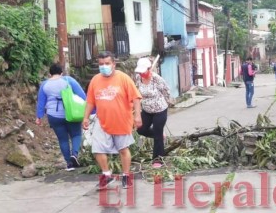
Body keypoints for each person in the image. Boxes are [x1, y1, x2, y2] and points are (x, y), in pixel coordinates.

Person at [82, 51, 142, 189]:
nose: (104, 66)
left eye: (107, 63)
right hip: (102, 121)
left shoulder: (124, 78)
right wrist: (85, 117)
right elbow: (90, 101)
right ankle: (106, 175)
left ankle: (126, 176)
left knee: (123, 149)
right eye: (101, 64)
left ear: (113, 64)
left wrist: (137, 116)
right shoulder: (95, 80)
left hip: (121, 120)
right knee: (97, 149)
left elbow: (136, 98)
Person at [36, 63, 86, 171]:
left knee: (62, 139)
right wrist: (90, 111)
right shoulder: (68, 80)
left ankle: (69, 163)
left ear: (50, 74)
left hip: (53, 115)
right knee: (76, 134)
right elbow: (82, 96)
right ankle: (74, 155)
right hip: (71, 113)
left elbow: (41, 102)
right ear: (61, 73)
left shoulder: (44, 84)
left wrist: (39, 117)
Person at [134, 57, 173, 168]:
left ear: (149, 69)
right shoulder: (138, 77)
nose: (141, 74)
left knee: (157, 134)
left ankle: (158, 159)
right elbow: (136, 91)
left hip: (160, 109)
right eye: (140, 72)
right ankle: (160, 135)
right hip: (146, 109)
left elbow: (166, 91)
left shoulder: (157, 79)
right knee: (141, 129)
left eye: (143, 71)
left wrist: (166, 103)